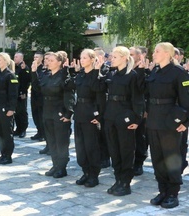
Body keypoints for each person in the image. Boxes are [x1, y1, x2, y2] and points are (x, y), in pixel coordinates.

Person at [95, 46, 144, 196]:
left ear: (124, 57)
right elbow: (98, 88)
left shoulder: (132, 75)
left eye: (115, 57)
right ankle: (118, 180)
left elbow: (138, 98)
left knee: (126, 150)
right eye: (111, 57)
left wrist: (137, 118)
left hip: (125, 117)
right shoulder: (111, 73)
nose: (111, 59)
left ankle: (126, 183)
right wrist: (98, 71)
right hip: (110, 116)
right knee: (114, 151)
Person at [145, 42, 189, 209]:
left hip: (170, 122)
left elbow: (186, 100)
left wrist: (186, 122)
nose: (154, 54)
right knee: (157, 158)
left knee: (171, 158)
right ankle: (162, 190)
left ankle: (173, 193)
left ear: (167, 54)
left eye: (157, 51)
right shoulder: (155, 71)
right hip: (154, 121)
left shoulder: (178, 72)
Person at [32, 51, 74, 178]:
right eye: (47, 60)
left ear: (59, 62)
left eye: (51, 60)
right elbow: (37, 88)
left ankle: (62, 167)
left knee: (61, 141)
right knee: (51, 141)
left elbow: (70, 95)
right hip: (47, 111)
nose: (48, 62)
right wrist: (34, 73)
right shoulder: (46, 75)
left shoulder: (64, 76)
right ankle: (55, 165)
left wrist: (68, 113)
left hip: (60, 111)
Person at [66, 49, 102, 187]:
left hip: (90, 114)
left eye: (85, 58)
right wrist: (70, 71)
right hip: (79, 113)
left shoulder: (97, 75)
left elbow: (99, 96)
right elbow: (68, 85)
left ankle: (94, 175)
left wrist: (98, 115)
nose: (82, 60)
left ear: (93, 59)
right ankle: (85, 172)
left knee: (91, 146)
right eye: (81, 57)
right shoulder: (80, 75)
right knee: (80, 147)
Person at [129, 47, 148, 176]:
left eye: (131, 54)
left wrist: (146, 109)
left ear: (139, 56)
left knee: (140, 137)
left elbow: (145, 91)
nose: (129, 56)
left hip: (141, 109)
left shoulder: (144, 70)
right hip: (127, 109)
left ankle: (138, 163)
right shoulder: (127, 70)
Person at [13, 52, 31, 138]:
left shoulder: (24, 67)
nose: (14, 58)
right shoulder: (14, 67)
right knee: (16, 112)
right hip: (15, 93)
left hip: (21, 93)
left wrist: (23, 92)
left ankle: (23, 129)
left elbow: (26, 81)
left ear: (21, 58)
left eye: (16, 57)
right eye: (14, 56)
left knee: (22, 112)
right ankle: (18, 129)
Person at [30, 52, 45, 141]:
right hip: (33, 94)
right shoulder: (33, 67)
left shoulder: (43, 68)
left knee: (40, 115)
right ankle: (39, 132)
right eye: (34, 57)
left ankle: (43, 133)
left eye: (37, 57)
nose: (35, 58)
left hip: (40, 94)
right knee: (35, 114)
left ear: (41, 58)